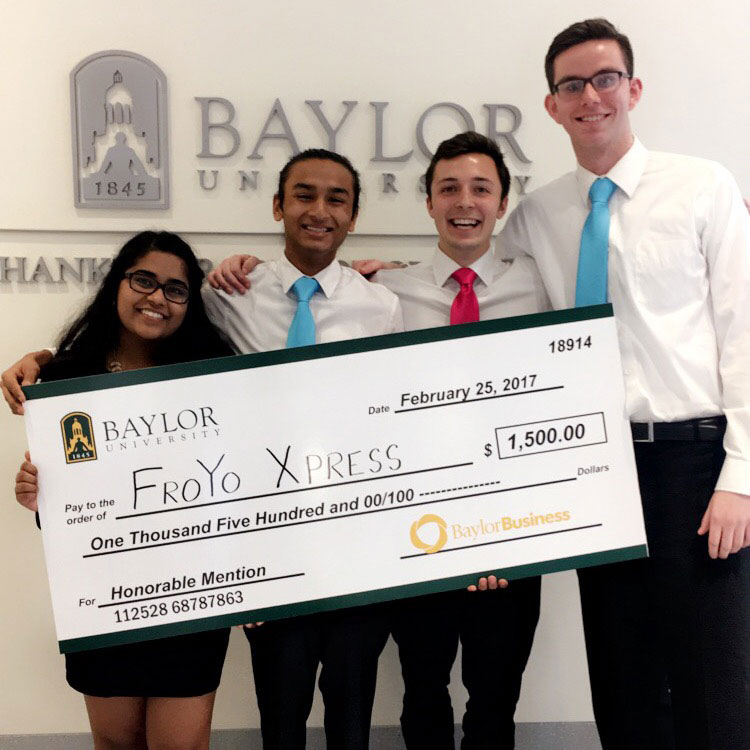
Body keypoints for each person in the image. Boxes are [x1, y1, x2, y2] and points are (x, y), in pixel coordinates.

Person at [203, 132, 551, 750]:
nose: (464, 201)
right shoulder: (387, 295)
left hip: (506, 525)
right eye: (448, 188)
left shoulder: (538, 286)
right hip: (407, 528)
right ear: (428, 201)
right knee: (420, 690)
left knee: (496, 699)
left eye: (480, 189)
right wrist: (48, 362)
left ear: (503, 203)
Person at [498, 18, 750, 750]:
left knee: (712, 684)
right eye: (572, 85)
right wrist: (377, 276)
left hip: (695, 464)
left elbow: (743, 332)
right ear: (552, 105)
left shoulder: (702, 186)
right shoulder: (538, 214)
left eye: (605, 79)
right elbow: (487, 288)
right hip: (596, 469)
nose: (591, 96)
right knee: (621, 677)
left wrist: (741, 477)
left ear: (633, 89)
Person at [199, 148, 403, 750]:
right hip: (269, 541)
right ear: (277, 206)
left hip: (355, 541)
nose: (320, 211)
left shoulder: (381, 305)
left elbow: (392, 417)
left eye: (337, 199)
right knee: (281, 714)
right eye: (304, 195)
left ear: (353, 217)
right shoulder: (229, 294)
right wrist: (49, 361)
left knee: (352, 715)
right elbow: (155, 354)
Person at [13, 230, 233, 750]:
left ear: (190, 303)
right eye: (143, 280)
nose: (157, 298)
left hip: (190, 598)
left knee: (180, 746)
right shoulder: (65, 378)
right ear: (117, 283)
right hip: (103, 595)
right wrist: (40, 496)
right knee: (115, 744)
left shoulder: (212, 374)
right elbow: (70, 504)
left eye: (175, 290)